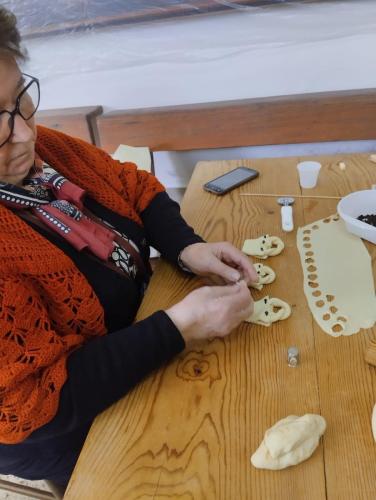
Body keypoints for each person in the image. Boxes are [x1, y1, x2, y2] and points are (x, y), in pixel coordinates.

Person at [0, 6, 256, 489]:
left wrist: (186, 249)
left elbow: (132, 186)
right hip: (61, 429)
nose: (26, 132)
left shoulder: (40, 150)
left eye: (20, 100)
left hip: (148, 334)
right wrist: (178, 326)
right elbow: (35, 401)